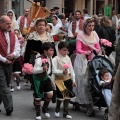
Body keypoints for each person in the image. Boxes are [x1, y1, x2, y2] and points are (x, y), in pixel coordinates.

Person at [73, 18, 100, 113]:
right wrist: (86, 52)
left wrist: (99, 52)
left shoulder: (95, 34)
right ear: (85, 26)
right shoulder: (80, 35)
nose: (91, 28)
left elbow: (97, 47)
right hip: (82, 59)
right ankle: (82, 101)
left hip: (92, 59)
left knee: (91, 80)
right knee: (82, 81)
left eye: (93, 26)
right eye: (89, 26)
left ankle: (91, 98)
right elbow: (78, 49)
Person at [24, 18, 54, 88]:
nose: (41, 27)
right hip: (35, 58)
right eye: (39, 25)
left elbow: (53, 49)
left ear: (45, 26)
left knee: (47, 76)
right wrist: (26, 62)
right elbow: (28, 50)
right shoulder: (32, 36)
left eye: (43, 25)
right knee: (36, 78)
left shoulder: (49, 36)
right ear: (36, 26)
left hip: (48, 58)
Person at [0, 15, 20, 115]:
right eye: (7, 23)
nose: (9, 25)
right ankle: (9, 107)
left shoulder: (13, 34)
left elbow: (18, 48)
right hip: (0, 62)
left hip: (9, 63)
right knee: (4, 86)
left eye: (10, 23)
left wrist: (13, 54)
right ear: (1, 23)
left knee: (5, 85)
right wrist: (4, 59)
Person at [52, 41, 76, 119]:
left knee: (67, 96)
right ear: (59, 50)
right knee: (61, 96)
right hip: (59, 80)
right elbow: (54, 70)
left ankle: (66, 112)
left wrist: (73, 80)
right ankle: (58, 108)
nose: (66, 52)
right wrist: (62, 72)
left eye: (67, 50)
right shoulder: (55, 59)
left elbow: (71, 70)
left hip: (67, 79)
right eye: (64, 50)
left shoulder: (68, 58)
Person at [33, 42, 54, 120]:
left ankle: (45, 108)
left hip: (46, 78)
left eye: (53, 50)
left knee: (50, 94)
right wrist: (42, 69)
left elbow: (51, 69)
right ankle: (38, 113)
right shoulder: (39, 59)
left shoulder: (51, 58)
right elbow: (34, 70)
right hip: (38, 80)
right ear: (45, 51)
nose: (52, 52)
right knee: (38, 97)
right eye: (51, 50)